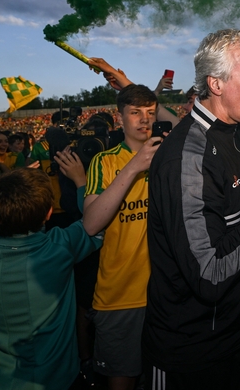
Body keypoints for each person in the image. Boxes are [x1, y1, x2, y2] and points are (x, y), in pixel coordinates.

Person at [143, 29, 240, 390]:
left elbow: (228, 230)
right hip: (193, 354)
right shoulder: (187, 158)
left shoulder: (237, 132)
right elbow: (210, 274)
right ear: (215, 83)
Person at [0, 167, 103, 390]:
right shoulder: (59, 248)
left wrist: (8, 192)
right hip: (55, 380)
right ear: (49, 212)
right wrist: (81, 183)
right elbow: (97, 220)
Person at [82, 84, 161, 390]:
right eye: (135, 113)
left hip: (164, 293)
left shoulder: (170, 158)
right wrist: (134, 167)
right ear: (120, 118)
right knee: (121, 381)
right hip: (120, 296)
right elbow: (90, 224)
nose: (145, 120)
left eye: (151, 112)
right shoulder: (105, 162)